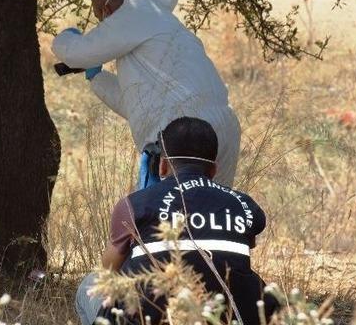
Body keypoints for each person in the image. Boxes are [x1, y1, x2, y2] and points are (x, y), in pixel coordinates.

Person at [52, 0, 240, 186]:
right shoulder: (169, 25)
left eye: (99, 18)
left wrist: (66, 37)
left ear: (107, 11)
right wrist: (97, 78)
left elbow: (76, 52)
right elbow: (140, 104)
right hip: (225, 130)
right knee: (213, 212)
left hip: (184, 134)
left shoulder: (135, 12)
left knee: (160, 215)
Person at [75, 117, 277, 325]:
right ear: (213, 170)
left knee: (89, 285)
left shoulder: (134, 205)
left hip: (151, 317)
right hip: (224, 317)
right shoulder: (245, 205)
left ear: (162, 166)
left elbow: (108, 270)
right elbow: (228, 261)